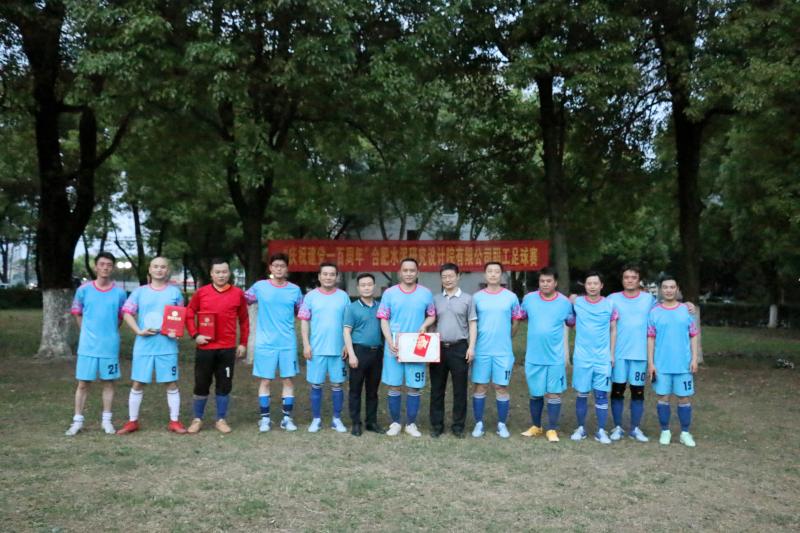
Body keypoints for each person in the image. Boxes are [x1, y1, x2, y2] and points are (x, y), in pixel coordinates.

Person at [117, 257, 187, 434]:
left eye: (163, 267)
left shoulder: (174, 293)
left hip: (167, 346)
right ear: (149, 269)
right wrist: (138, 331)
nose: (159, 270)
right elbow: (126, 312)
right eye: (155, 266)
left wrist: (177, 332)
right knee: (138, 383)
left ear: (167, 270)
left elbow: (180, 316)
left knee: (171, 383)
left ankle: (174, 421)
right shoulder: (139, 292)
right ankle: (132, 421)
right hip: (144, 346)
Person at [66, 252, 128, 436]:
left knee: (108, 382)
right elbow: (77, 313)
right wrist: (86, 332)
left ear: (112, 268)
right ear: (96, 267)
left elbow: (121, 317)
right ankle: (77, 421)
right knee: (83, 383)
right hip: (88, 346)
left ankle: (106, 421)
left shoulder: (119, 293)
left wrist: (109, 333)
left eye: (109, 264)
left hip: (109, 346)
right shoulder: (84, 290)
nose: (105, 267)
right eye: (102, 264)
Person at [185, 258, 249, 434]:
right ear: (211, 274)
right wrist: (195, 335)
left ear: (229, 273)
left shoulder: (237, 294)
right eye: (218, 272)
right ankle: (197, 419)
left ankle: (221, 419)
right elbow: (189, 312)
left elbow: (244, 320)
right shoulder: (201, 293)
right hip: (205, 348)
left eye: (224, 272)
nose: (221, 275)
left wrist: (243, 343)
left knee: (224, 384)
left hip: (227, 348)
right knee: (201, 384)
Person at [245, 253, 304, 433]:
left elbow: (303, 312)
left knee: (288, 380)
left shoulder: (295, 290)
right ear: (270, 268)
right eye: (275, 265)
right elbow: (242, 300)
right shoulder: (260, 287)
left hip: (287, 342)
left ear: (287, 268)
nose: (279, 268)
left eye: (282, 266)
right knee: (265, 380)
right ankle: (265, 419)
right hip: (265, 343)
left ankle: (287, 418)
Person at [377, 258, 436, 437]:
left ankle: (411, 424)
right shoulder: (389, 293)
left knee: (414, 386)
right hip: (394, 346)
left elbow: (432, 315)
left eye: (412, 270)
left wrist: (425, 325)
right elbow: (383, 319)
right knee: (394, 385)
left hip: (417, 346)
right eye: (405, 270)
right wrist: (389, 340)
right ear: (399, 273)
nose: (409, 273)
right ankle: (395, 423)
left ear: (417, 273)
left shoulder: (426, 293)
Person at [518, 267, 574, 443]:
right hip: (534, 357)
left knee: (554, 394)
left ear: (555, 283)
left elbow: (571, 322)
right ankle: (536, 426)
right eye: (542, 281)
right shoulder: (529, 299)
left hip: (555, 358)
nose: (545, 284)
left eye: (549, 281)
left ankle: (552, 429)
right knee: (535, 394)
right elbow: (520, 316)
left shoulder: (564, 303)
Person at [469, 262, 524, 439]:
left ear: (502, 275)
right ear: (485, 275)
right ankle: (479, 423)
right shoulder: (476, 298)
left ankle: (501, 424)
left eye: (497, 271)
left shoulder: (511, 297)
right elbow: (472, 323)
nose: (493, 274)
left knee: (501, 387)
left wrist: (507, 337)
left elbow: (516, 320)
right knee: (480, 386)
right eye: (490, 271)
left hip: (503, 351)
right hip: (481, 350)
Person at [647, 275, 700, 447]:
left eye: (672, 287)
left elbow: (693, 335)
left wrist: (694, 359)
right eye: (665, 287)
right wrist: (651, 363)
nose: (669, 290)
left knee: (684, 398)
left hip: (683, 364)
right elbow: (650, 338)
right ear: (661, 290)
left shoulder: (686, 310)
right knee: (663, 398)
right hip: (661, 365)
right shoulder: (654, 312)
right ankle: (665, 431)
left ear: (677, 289)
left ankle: (685, 433)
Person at [299, 262, 351, 433]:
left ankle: (337, 419)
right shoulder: (310, 297)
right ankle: (316, 419)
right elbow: (304, 322)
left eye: (332, 274)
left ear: (336, 277)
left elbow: (348, 323)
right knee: (316, 385)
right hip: (316, 350)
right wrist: (306, 345)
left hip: (338, 350)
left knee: (337, 385)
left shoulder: (343, 296)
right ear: (319, 276)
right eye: (325, 274)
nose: (328, 277)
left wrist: (347, 345)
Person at [606, 265, 655, 442]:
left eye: (633, 277)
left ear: (638, 280)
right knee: (617, 391)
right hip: (618, 354)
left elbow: (665, 308)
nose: (630, 280)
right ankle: (617, 427)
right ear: (622, 280)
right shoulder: (612, 299)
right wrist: (574, 299)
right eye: (626, 277)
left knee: (637, 392)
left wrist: (688, 304)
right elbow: (594, 305)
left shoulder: (649, 299)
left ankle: (635, 428)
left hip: (640, 354)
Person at [570, 271, 618, 444]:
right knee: (582, 393)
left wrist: (611, 354)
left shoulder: (609, 304)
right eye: (589, 283)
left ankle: (601, 431)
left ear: (601, 286)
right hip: (582, 357)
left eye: (595, 283)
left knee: (601, 394)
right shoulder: (577, 302)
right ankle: (580, 428)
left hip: (602, 358)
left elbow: (613, 329)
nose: (592, 286)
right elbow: (569, 320)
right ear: (585, 285)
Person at [429, 263, 476, 439]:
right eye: (444, 277)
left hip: (459, 347)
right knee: (437, 389)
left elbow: (472, 323)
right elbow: (431, 323)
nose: (447, 280)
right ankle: (437, 425)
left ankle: (458, 426)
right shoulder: (435, 299)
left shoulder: (468, 299)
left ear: (458, 276)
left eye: (451, 276)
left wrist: (471, 347)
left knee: (460, 390)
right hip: (438, 348)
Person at [343, 273, 384, 436]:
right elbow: (347, 332)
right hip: (359, 351)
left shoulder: (380, 307)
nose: (366, 287)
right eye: (363, 285)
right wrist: (352, 355)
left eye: (369, 284)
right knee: (355, 390)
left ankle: (371, 422)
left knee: (373, 390)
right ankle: (356, 423)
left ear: (374, 286)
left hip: (377, 352)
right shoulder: (352, 308)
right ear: (358, 288)